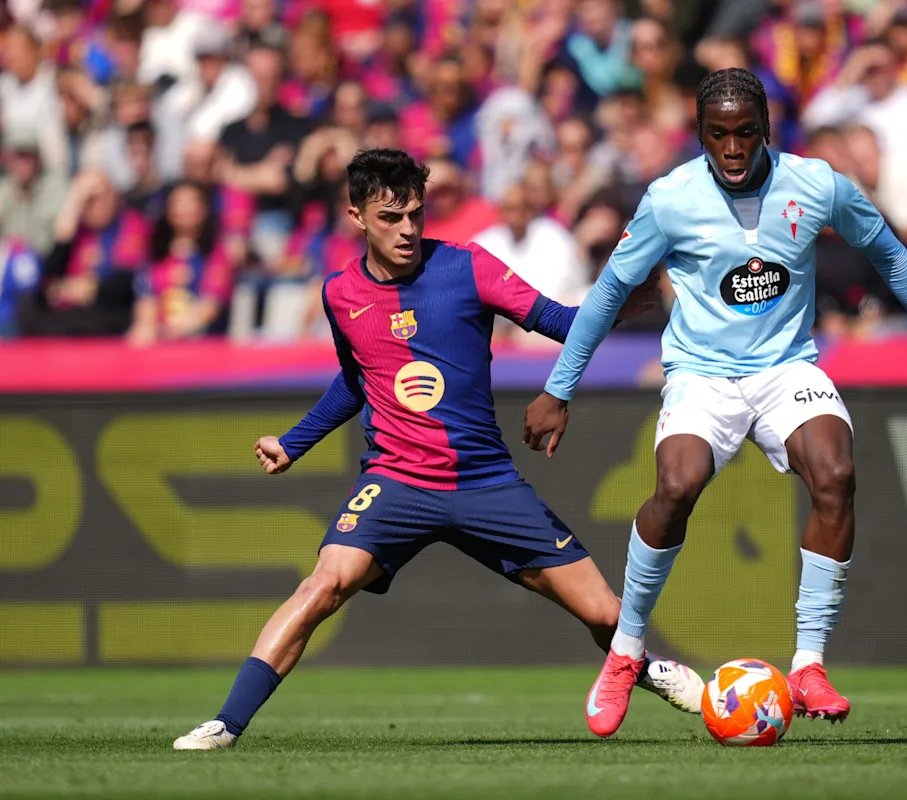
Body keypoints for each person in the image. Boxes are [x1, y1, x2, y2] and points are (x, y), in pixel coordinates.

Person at [172, 149, 702, 751]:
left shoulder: (467, 266)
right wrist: (295, 442)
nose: (406, 230)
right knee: (323, 584)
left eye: (415, 215)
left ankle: (649, 670)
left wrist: (633, 301)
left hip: (485, 482)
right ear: (357, 216)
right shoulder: (341, 294)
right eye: (390, 217)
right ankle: (227, 723)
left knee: (605, 615)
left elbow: (560, 321)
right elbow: (356, 379)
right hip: (396, 482)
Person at [523, 68, 907, 739]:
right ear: (700, 133)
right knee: (675, 487)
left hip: (786, 367)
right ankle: (624, 654)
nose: (732, 147)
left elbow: (891, 255)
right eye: (718, 134)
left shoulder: (815, 184)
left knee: (837, 474)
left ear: (765, 127)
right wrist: (559, 389)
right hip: (702, 375)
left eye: (744, 132)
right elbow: (608, 294)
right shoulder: (670, 199)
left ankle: (808, 666)